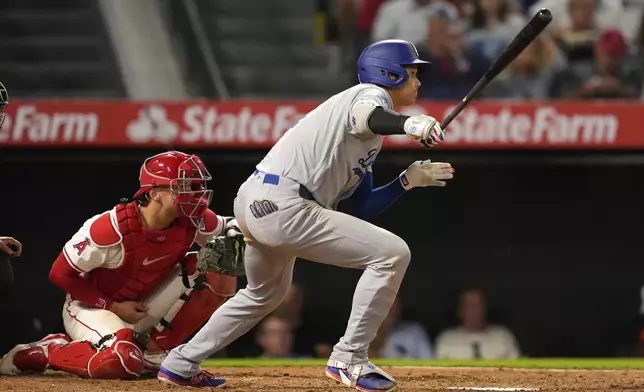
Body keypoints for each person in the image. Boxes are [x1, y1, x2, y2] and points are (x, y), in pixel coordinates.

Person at [158, 39, 455, 391]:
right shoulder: (368, 96)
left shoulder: (366, 142)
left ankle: (180, 363)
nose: (418, 82)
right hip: (285, 203)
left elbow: (360, 208)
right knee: (393, 255)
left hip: (260, 201)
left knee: (263, 294)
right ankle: (350, 358)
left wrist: (406, 181)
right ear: (387, 74)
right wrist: (411, 125)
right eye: (411, 73)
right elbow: (369, 116)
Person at [0, 150, 246, 381]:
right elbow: (60, 274)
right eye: (183, 187)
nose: (196, 195)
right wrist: (114, 306)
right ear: (153, 193)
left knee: (218, 267)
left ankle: (157, 350)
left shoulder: (194, 220)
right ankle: (49, 350)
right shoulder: (111, 228)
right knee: (122, 362)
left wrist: (235, 231)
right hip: (93, 307)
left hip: (143, 304)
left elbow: (229, 226)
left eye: (196, 187)